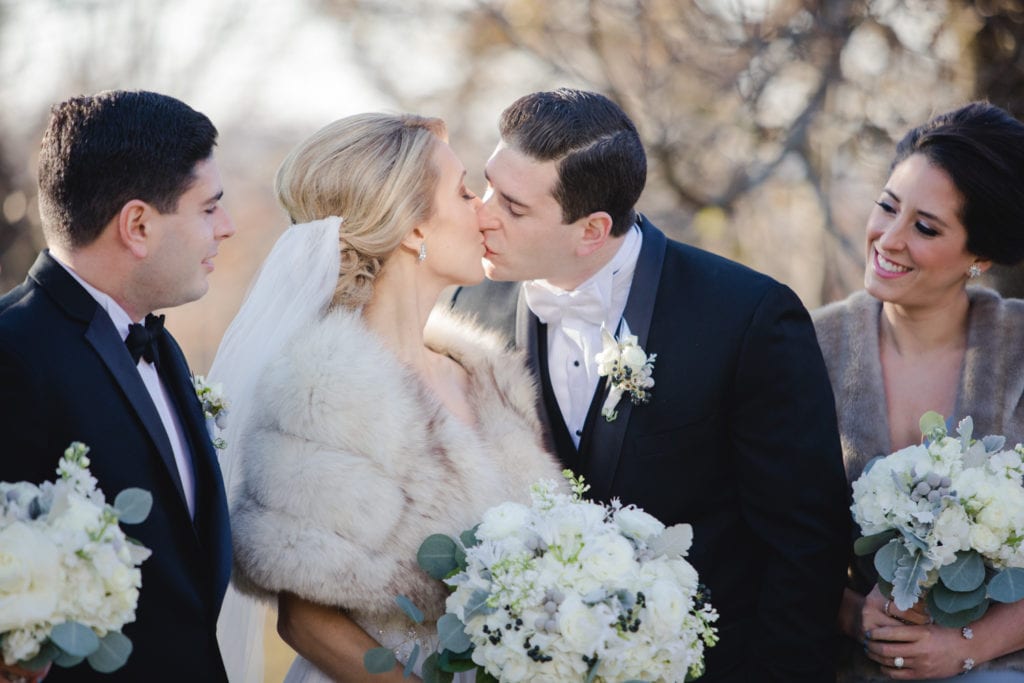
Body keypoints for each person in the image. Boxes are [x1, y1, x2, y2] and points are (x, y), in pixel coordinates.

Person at [448, 88, 851, 682]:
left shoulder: (748, 317)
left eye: (512, 206)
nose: (482, 213)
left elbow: (806, 545)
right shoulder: (469, 304)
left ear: (592, 230)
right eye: (487, 187)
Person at [213, 112, 563, 683]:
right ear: (414, 230)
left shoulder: (488, 377)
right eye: (465, 191)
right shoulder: (323, 390)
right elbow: (304, 621)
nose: (484, 211)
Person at [0, 90, 235, 681]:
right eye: (209, 209)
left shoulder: (161, 346)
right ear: (137, 225)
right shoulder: (12, 355)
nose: (227, 228)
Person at [814, 101, 1024, 681]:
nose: (890, 238)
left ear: (979, 257)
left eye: (926, 227)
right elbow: (772, 530)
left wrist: (969, 645)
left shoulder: (1019, 350)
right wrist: (856, 616)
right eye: (887, 206)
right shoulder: (809, 347)